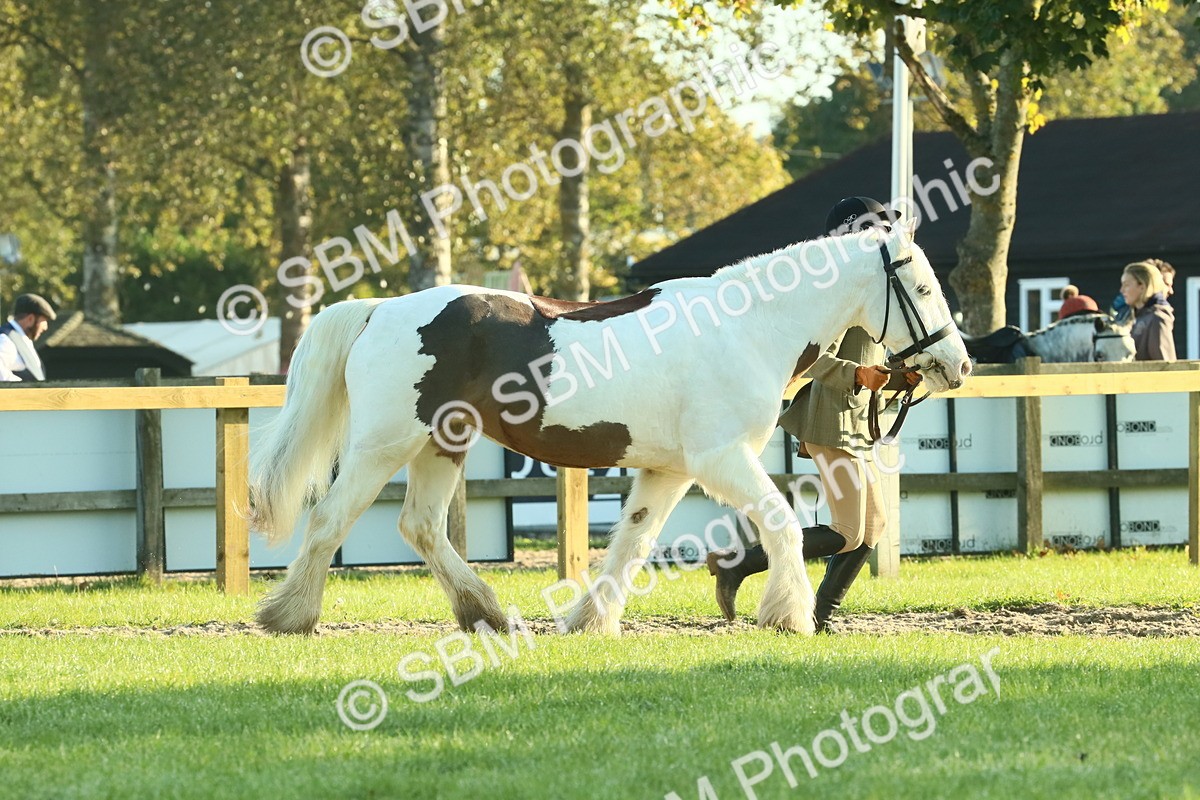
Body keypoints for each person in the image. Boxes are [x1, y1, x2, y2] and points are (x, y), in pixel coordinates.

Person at [706, 196, 919, 633]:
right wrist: (857, 373)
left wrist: (901, 376)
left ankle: (817, 617)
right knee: (847, 530)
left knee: (872, 527)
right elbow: (812, 359)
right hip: (830, 418)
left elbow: (871, 360)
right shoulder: (829, 294)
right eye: (873, 230)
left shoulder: (868, 287)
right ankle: (739, 567)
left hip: (857, 418)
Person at [1119, 260, 1175, 361]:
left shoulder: (1157, 318)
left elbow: (1165, 366)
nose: (1122, 290)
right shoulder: (1128, 317)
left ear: (1142, 287)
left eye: (1126, 285)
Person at [0, 293, 56, 381]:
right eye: (43, 321)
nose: (45, 327)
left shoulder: (21, 339)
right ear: (30, 319)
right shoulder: (4, 340)